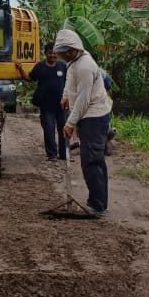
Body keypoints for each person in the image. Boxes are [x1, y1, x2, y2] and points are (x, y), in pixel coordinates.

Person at [55, 28, 113, 217]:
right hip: (87, 115)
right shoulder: (74, 63)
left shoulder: (85, 66)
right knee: (91, 160)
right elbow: (70, 84)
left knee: (92, 160)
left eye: (62, 53)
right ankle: (96, 200)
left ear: (71, 50)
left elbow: (83, 99)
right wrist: (65, 97)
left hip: (94, 117)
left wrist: (70, 123)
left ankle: (98, 205)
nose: (61, 57)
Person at [21, 47, 68, 160]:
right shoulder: (40, 67)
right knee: (49, 129)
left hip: (61, 105)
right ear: (45, 53)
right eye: (50, 53)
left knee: (63, 130)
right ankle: (52, 154)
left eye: (54, 53)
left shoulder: (63, 66)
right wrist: (20, 69)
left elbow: (69, 82)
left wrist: (69, 98)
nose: (52, 55)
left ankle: (64, 154)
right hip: (46, 105)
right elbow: (29, 78)